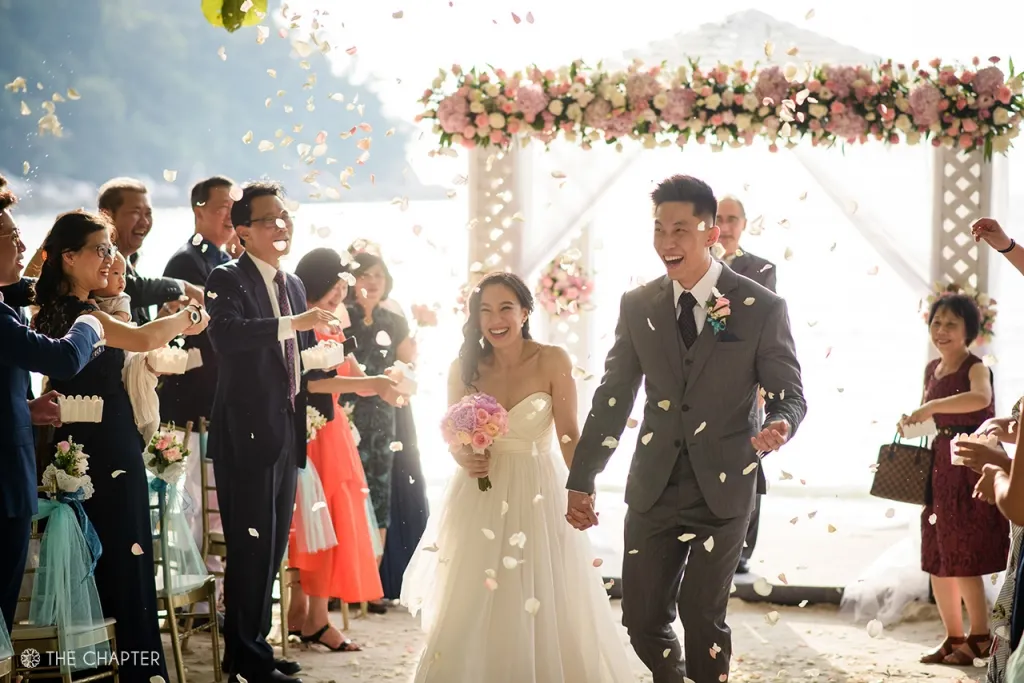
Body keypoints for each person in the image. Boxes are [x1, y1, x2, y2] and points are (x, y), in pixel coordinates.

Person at [565, 175, 806, 683]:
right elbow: (613, 397)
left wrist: (780, 424)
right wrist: (582, 477)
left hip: (725, 485)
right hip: (654, 484)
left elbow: (789, 394)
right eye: (659, 229)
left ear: (711, 233)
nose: (667, 242)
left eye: (680, 229)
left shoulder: (762, 307)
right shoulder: (638, 305)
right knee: (640, 618)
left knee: (702, 617)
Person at [401, 271, 634, 682]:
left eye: (506, 308)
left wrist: (582, 486)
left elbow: (568, 433)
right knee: (476, 592)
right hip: (481, 491)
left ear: (525, 312)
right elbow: (453, 436)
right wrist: (463, 457)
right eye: (485, 310)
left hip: (538, 487)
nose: (496, 319)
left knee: (542, 588)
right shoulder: (463, 368)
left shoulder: (553, 360)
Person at [33, 210, 211, 683]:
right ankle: (138, 672)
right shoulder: (86, 317)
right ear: (69, 257)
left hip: (74, 447)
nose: (111, 258)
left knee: (101, 565)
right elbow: (147, 337)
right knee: (127, 565)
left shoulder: (48, 311)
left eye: (112, 249)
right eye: (100, 249)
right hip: (109, 446)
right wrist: (188, 316)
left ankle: (103, 670)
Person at [205, 181, 338, 683]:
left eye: (285, 217)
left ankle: (251, 649)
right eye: (269, 220)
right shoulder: (226, 277)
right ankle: (249, 660)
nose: (282, 226)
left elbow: (294, 358)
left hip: (286, 430)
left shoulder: (294, 284)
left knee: (272, 548)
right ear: (242, 232)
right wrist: (291, 323)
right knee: (249, 548)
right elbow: (225, 335)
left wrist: (324, 357)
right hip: (246, 434)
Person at [0, 178, 104, 632]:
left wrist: (24, 410)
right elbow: (61, 358)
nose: (24, 246)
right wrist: (91, 323)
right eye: (12, 236)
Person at [287, 247, 401, 652]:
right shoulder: (299, 324)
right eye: (333, 286)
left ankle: (308, 615)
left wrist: (385, 380)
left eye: (342, 287)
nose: (339, 294)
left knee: (328, 521)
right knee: (313, 522)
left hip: (333, 432)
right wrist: (370, 384)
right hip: (310, 432)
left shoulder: (333, 324)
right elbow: (314, 383)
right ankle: (310, 617)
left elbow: (354, 376)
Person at [899, 293, 1008, 665]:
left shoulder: (976, 367)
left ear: (968, 331)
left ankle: (979, 637)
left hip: (967, 465)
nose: (941, 330)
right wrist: (913, 422)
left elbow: (980, 399)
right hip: (939, 467)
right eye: (936, 323)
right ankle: (953, 636)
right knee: (937, 554)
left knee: (963, 554)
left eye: (951, 324)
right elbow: (936, 423)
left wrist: (931, 406)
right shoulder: (932, 368)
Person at [346, 239, 430, 602]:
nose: (373, 281)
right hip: (346, 414)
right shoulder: (341, 316)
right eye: (365, 274)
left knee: (379, 494)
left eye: (379, 275)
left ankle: (372, 584)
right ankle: (343, 583)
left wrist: (414, 347)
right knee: (347, 493)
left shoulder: (393, 320)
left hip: (384, 418)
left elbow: (406, 367)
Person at [716, 195, 777, 575]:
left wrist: (760, 384)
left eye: (732, 218)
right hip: (701, 380)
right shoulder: (693, 263)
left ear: (744, 223)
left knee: (748, 460)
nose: (724, 226)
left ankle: (741, 549)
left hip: (747, 380)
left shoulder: (761, 268)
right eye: (718, 218)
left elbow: (761, 326)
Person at [97, 177, 203, 323]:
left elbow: (141, 332)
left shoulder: (131, 263)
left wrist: (169, 309)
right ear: (106, 215)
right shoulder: (99, 261)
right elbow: (132, 288)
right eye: (135, 212)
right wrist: (184, 287)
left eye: (148, 214)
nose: (144, 222)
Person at [90, 250, 131, 322]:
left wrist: (97, 314)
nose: (122, 279)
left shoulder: (121, 299)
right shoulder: (90, 294)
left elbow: (122, 320)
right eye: (116, 273)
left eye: (123, 274)